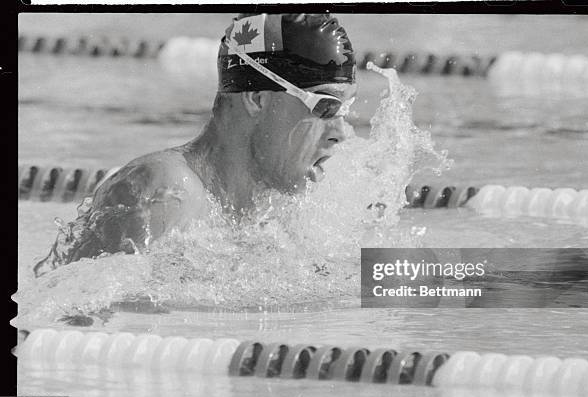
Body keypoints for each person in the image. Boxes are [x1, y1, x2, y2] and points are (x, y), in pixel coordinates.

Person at [34, 13, 357, 277]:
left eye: (346, 109)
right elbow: (81, 326)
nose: (341, 132)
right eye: (325, 107)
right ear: (257, 99)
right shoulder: (164, 192)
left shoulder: (277, 208)